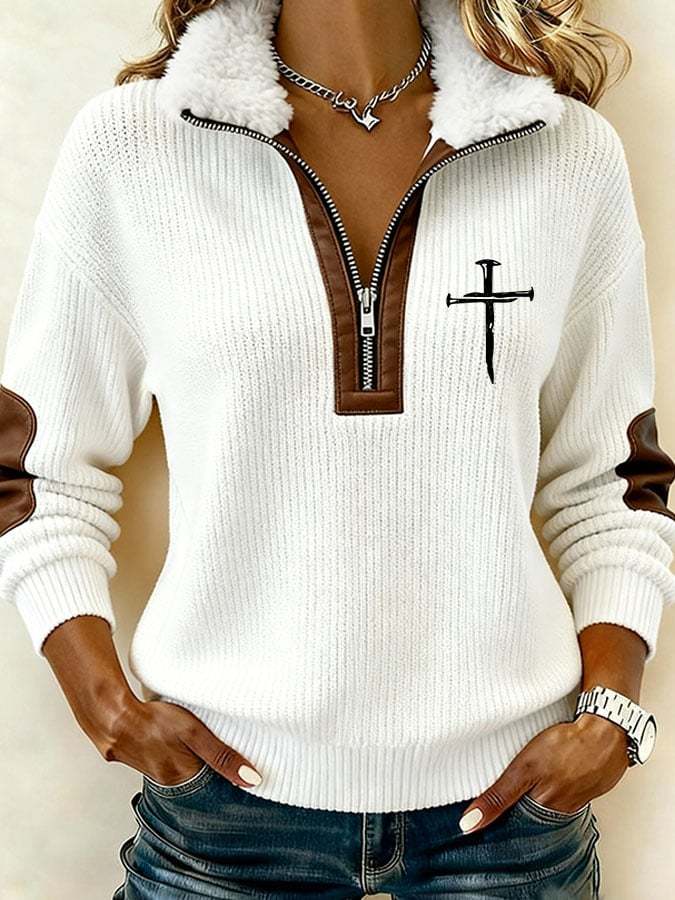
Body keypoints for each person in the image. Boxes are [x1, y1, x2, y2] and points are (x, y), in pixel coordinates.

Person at [2, 0, 674, 896]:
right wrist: (105, 706)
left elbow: (612, 480)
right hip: (224, 807)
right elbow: (35, 472)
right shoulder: (134, 145)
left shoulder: (564, 150)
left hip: (511, 813)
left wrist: (610, 719)